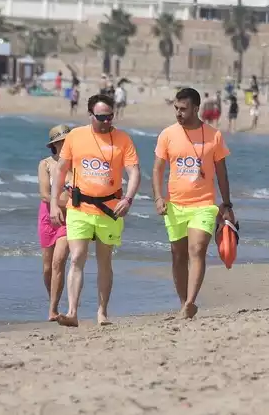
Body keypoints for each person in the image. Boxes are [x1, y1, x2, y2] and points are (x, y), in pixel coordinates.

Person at [48, 94, 140, 327]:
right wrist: (53, 203)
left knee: (104, 261)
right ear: (90, 115)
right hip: (80, 207)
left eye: (110, 116)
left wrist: (128, 199)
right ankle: (72, 312)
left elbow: (134, 172)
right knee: (77, 257)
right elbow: (60, 170)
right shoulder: (76, 136)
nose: (106, 121)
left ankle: (101, 312)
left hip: (110, 209)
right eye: (101, 117)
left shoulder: (123, 139)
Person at [152, 88, 236, 319]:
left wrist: (227, 204)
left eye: (183, 109)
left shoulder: (213, 135)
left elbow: (222, 173)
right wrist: (159, 197)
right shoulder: (167, 134)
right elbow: (158, 170)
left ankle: (191, 301)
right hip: (175, 205)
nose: (178, 113)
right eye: (176, 109)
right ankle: (183, 304)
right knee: (178, 255)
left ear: (196, 108)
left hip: (204, 204)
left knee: (197, 249)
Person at [38, 125, 72, 321]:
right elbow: (44, 194)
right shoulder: (45, 164)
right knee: (47, 267)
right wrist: (58, 204)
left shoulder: (77, 165)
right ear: (54, 145)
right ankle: (54, 301)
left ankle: (52, 309)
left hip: (70, 218)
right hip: (47, 216)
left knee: (59, 261)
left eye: (69, 142)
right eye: (62, 142)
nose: (66, 145)